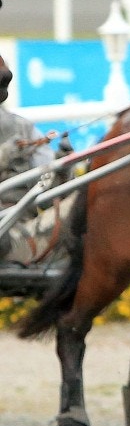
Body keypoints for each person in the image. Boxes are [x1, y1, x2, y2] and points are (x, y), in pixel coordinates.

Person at [0, 48, 69, 266]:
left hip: (22, 233)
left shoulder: (23, 128)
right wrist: (5, 155)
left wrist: (64, 165)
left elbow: (51, 194)